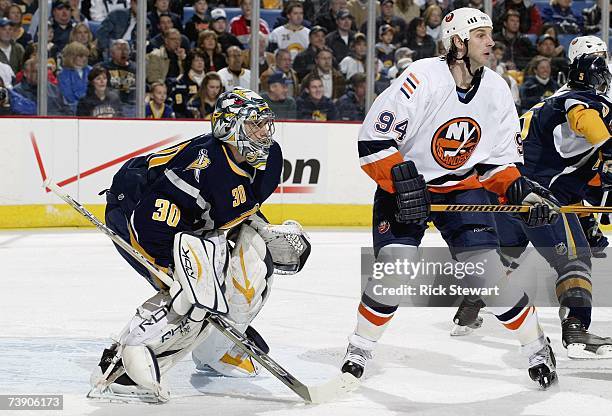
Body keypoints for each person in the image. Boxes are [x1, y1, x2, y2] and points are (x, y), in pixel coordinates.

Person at [344, 8, 560, 389]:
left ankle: (537, 348)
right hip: (406, 188)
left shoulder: (497, 88)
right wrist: (403, 183)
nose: (491, 42)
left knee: (489, 276)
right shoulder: (421, 78)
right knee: (393, 271)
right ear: (457, 42)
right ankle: (359, 348)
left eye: (490, 35)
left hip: (461, 187)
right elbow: (373, 141)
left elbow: (498, 164)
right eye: (480, 36)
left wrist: (521, 191)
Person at [90, 87, 310, 403]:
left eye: (265, 123)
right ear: (229, 127)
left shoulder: (268, 158)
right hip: (136, 210)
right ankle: (124, 362)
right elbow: (151, 223)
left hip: (186, 219)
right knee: (192, 293)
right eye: (254, 124)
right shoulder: (202, 166)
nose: (264, 132)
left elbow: (233, 206)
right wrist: (174, 271)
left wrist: (262, 230)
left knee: (253, 263)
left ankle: (215, 349)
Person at [453, 36, 612, 359]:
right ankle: (576, 328)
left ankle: (469, 308)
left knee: (503, 258)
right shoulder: (579, 101)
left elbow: (573, 170)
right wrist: (608, 151)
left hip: (511, 193)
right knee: (572, 260)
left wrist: (587, 217)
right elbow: (585, 120)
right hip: (541, 198)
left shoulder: (551, 100)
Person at [59, 41, 93, 113]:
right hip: (72, 108)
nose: (84, 59)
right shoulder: (63, 74)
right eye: (80, 56)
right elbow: (68, 96)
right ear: (71, 57)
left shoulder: (92, 70)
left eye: (86, 56)